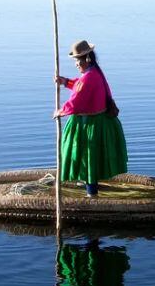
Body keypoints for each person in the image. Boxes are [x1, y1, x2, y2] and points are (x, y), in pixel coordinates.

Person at [55, 39, 128, 197]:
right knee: (91, 160)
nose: (76, 64)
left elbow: (77, 101)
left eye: (77, 61)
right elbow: (80, 86)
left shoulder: (89, 77)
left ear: (86, 59)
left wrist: (60, 111)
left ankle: (91, 195)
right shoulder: (94, 72)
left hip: (91, 126)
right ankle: (91, 190)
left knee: (89, 159)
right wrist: (66, 82)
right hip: (98, 122)